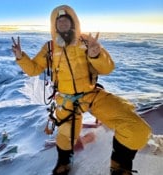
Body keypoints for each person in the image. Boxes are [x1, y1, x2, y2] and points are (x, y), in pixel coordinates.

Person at [11, 4, 151, 175]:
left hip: (91, 94)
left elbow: (107, 69)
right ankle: (64, 162)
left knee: (135, 127)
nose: (62, 24)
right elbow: (33, 69)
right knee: (65, 136)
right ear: (54, 26)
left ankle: (120, 166)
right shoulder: (49, 48)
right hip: (65, 99)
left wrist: (96, 55)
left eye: (66, 20)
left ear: (73, 23)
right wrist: (20, 57)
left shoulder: (86, 42)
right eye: (59, 21)